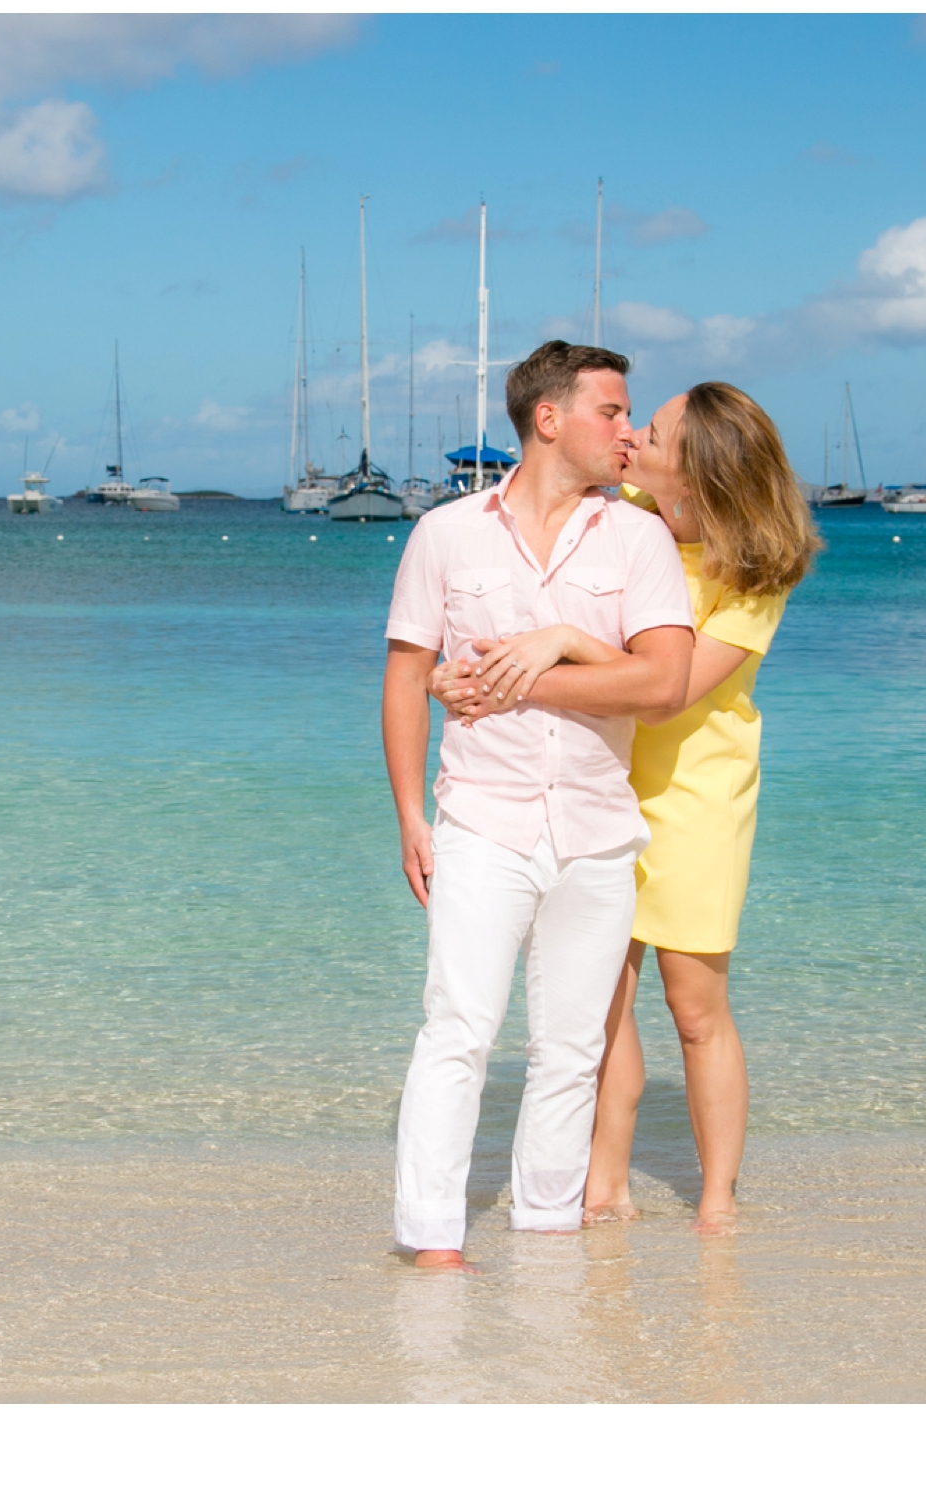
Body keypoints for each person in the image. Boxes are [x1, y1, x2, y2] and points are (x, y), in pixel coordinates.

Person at [434, 382, 818, 1231]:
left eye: (655, 428)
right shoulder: (624, 514)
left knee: (694, 1008)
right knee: (597, 999)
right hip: (595, 779)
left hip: (697, 797)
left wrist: (559, 649)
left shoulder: (752, 575)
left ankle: (716, 1197)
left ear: (701, 466)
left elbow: (668, 693)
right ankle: (602, 1183)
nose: (632, 433)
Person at [381, 341, 695, 1270]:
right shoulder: (445, 534)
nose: (627, 431)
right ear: (548, 419)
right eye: (611, 411)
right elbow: (406, 679)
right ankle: (432, 1239)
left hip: (598, 828)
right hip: (481, 816)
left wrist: (534, 669)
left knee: (570, 1049)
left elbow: (666, 681)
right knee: (459, 1029)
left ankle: (548, 1227)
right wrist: (410, 816)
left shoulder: (637, 538)